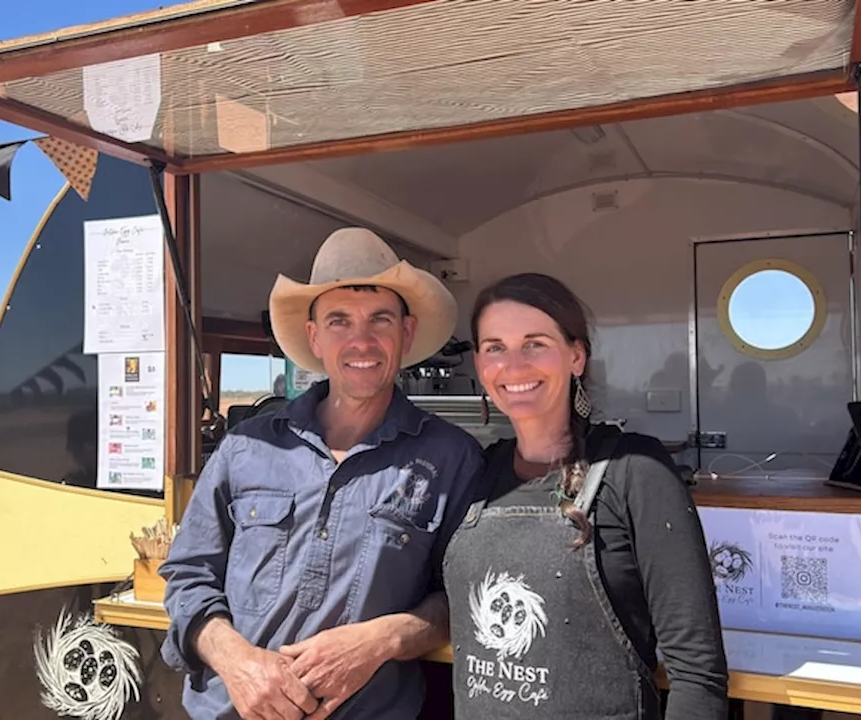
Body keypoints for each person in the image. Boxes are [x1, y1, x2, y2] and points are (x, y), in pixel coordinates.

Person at [159, 227, 486, 720]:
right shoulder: (248, 445)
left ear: (407, 332)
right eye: (339, 321)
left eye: (381, 319)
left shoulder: (452, 458)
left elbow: (465, 595)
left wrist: (383, 639)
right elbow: (188, 575)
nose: (362, 339)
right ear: (313, 336)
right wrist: (239, 662)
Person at [442, 273, 728, 720]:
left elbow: (697, 672)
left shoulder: (637, 470)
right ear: (479, 363)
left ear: (576, 356)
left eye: (535, 343)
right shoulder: (476, 472)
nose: (513, 366)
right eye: (495, 347)